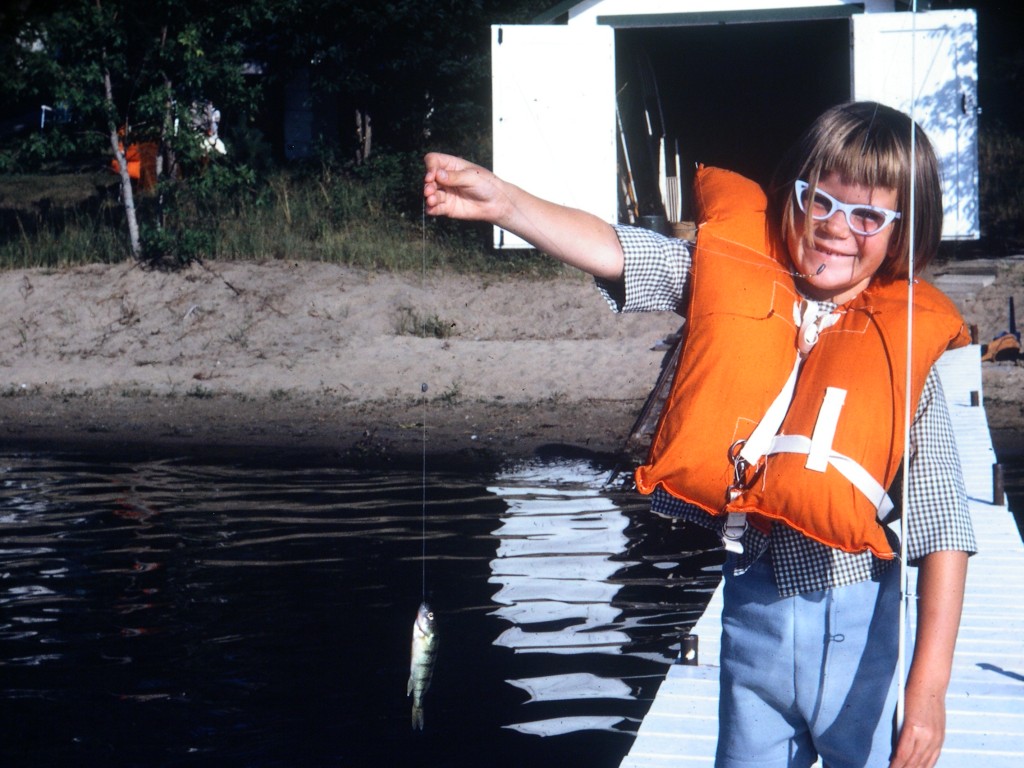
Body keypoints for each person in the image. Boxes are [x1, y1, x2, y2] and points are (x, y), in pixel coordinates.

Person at [423, 101, 975, 768]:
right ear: (792, 195)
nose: (834, 228)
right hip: (752, 620)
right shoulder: (736, 272)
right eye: (818, 201)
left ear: (902, 234)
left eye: (866, 216)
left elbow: (943, 527)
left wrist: (929, 688)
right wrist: (506, 203)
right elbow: (625, 251)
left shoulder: (899, 346)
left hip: (854, 631)